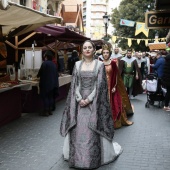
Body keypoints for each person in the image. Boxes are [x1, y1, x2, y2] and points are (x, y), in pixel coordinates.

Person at [60, 40, 122, 169]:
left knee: (92, 127)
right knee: (77, 129)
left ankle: (92, 159)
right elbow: (75, 84)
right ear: (82, 50)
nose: (87, 49)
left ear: (94, 50)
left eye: (90, 47)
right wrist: (78, 98)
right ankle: (76, 158)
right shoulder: (77, 65)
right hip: (79, 102)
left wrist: (88, 99)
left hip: (94, 102)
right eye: (85, 48)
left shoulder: (99, 65)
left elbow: (99, 85)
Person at [102, 44, 133, 129]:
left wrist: (115, 86)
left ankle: (114, 122)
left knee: (114, 104)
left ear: (109, 53)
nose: (105, 54)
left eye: (107, 52)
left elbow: (116, 76)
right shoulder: (100, 64)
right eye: (104, 52)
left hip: (112, 86)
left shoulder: (113, 63)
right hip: (103, 87)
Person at [37, 50, 59, 116]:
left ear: (46, 57)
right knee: (50, 97)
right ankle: (50, 110)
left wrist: (37, 75)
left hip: (45, 83)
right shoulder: (54, 64)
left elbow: (40, 73)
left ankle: (46, 111)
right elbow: (56, 74)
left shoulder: (44, 63)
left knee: (45, 97)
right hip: (53, 84)